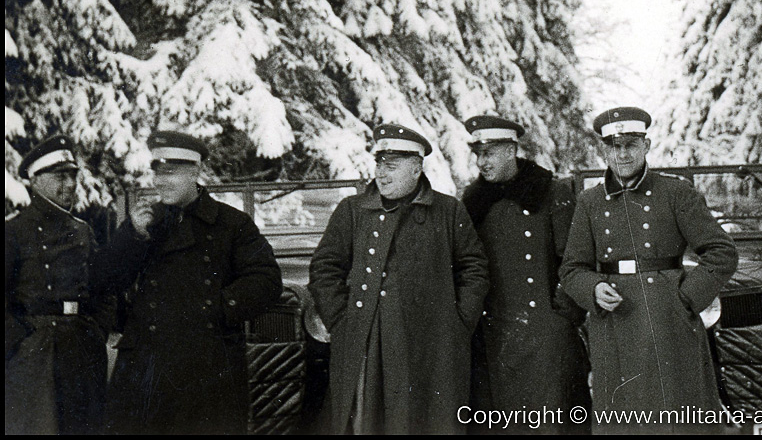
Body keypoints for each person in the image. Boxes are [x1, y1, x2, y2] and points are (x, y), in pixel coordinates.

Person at [560, 107, 738, 433]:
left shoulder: (676, 193)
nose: (623, 154)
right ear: (605, 150)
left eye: (630, 144)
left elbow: (721, 253)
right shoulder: (590, 202)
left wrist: (684, 298)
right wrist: (594, 289)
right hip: (614, 327)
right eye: (615, 146)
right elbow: (572, 269)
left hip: (669, 326)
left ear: (646, 145)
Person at [99, 130, 283, 434]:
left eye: (170, 172)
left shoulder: (231, 224)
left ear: (196, 171)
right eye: (157, 172)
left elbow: (265, 279)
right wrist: (133, 237)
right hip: (146, 369)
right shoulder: (143, 222)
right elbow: (106, 281)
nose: (160, 181)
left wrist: (216, 308)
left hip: (207, 368)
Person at [309, 123, 489, 434]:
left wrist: (459, 322)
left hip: (433, 344)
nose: (381, 173)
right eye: (379, 164)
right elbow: (325, 267)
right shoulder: (352, 210)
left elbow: (474, 268)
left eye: (391, 166)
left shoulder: (448, 211)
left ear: (417, 168)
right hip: (369, 337)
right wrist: (341, 320)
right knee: (369, 421)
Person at [461, 115, 590, 434]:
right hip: (494, 333)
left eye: (488, 153)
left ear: (510, 150)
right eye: (477, 154)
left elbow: (575, 258)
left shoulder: (551, 192)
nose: (481, 162)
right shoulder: (473, 200)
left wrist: (561, 318)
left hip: (545, 335)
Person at [5, 136, 111, 434]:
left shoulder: (82, 231)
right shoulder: (14, 231)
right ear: (35, 180)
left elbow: (104, 290)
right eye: (59, 177)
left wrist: (96, 331)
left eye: (72, 176)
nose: (69, 185)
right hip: (34, 357)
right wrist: (20, 343)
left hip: (80, 349)